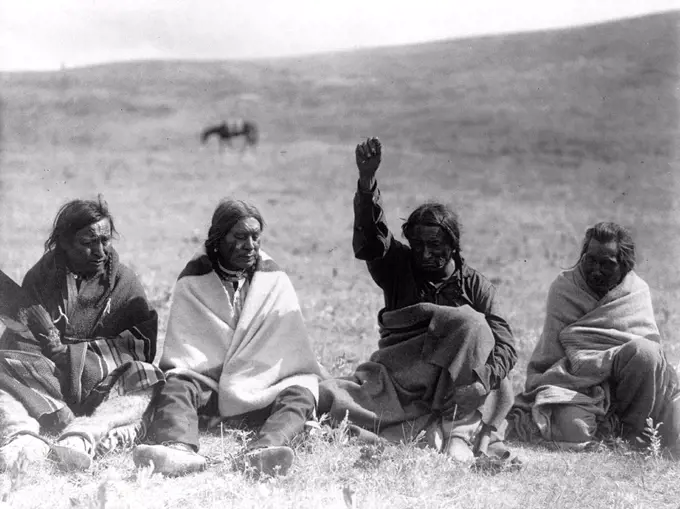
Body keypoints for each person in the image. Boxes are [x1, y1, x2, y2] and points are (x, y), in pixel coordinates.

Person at [317, 138, 518, 462]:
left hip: (459, 387)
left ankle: (456, 432)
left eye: (435, 245)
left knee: (480, 340)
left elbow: (506, 344)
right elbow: (373, 238)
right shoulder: (398, 266)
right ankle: (437, 431)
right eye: (418, 244)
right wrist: (367, 182)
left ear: (453, 244)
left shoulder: (476, 286)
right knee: (333, 398)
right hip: (403, 380)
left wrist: (482, 383)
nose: (425, 254)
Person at [133, 199, 323, 477]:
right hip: (210, 386)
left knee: (301, 392)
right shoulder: (194, 281)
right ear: (219, 239)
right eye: (240, 237)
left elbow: (287, 347)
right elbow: (188, 354)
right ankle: (177, 447)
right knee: (177, 383)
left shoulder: (274, 281)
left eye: (255, 237)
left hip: (263, 384)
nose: (250, 245)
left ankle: (263, 452)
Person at [0, 197, 163, 471]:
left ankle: (85, 436)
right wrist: (48, 347)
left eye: (105, 240)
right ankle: (24, 438)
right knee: (5, 368)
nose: (100, 251)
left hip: (102, 384)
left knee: (147, 377)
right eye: (87, 243)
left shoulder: (125, 283)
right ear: (64, 243)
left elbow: (140, 344)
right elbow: (21, 338)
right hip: (48, 382)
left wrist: (73, 356)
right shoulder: (41, 276)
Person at [512, 222, 680, 454]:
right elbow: (552, 356)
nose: (595, 270)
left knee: (645, 352)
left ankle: (635, 433)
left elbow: (652, 361)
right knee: (574, 429)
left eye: (607, 264)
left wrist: (613, 362)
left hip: (632, 390)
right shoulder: (564, 288)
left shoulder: (637, 291)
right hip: (577, 386)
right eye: (590, 260)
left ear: (625, 265)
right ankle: (607, 427)